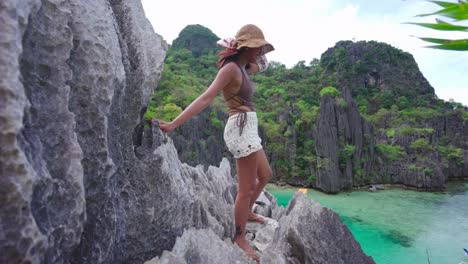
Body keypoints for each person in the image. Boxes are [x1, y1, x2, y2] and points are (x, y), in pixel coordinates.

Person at [156, 24, 274, 262]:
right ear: (246, 48)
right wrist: (173, 124)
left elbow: (263, 64)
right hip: (240, 127)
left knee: (266, 175)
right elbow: (206, 97)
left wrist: (233, 45)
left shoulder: (244, 66)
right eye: (256, 48)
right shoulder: (230, 69)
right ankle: (239, 237)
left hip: (249, 126)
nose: (259, 53)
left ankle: (247, 212)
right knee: (245, 189)